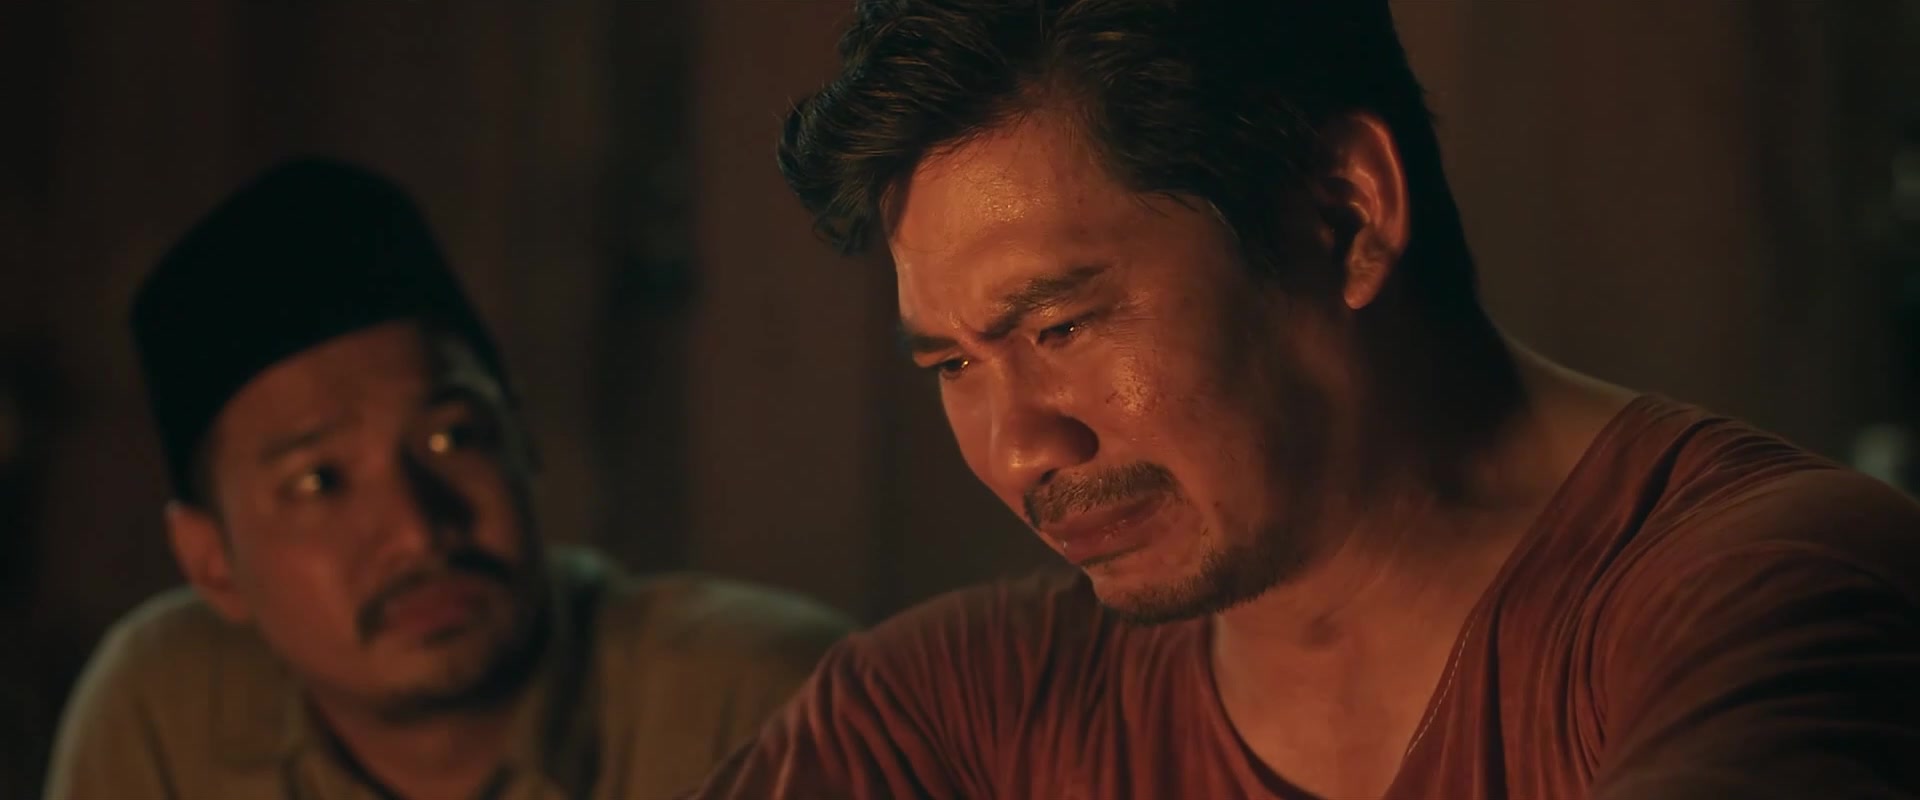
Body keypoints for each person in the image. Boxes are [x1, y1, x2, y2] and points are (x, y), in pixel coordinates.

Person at [687, 1, 1920, 798]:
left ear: (1342, 215)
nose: (1019, 448)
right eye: (952, 364)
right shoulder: (945, 719)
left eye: (1061, 326)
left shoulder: (1769, 588)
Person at [44, 158, 855, 800]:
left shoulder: (766, 706)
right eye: (319, 481)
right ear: (212, 562)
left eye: (451, 437)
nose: (416, 529)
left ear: (520, 438)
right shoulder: (165, 712)